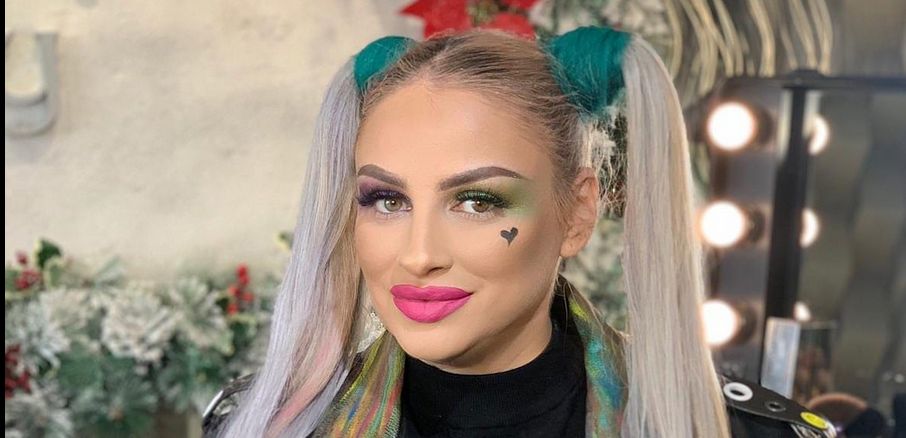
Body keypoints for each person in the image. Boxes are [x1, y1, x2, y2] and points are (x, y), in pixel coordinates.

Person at [203, 26, 836, 437]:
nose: (419, 255)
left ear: (576, 213)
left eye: (477, 201)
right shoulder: (266, 425)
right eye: (387, 200)